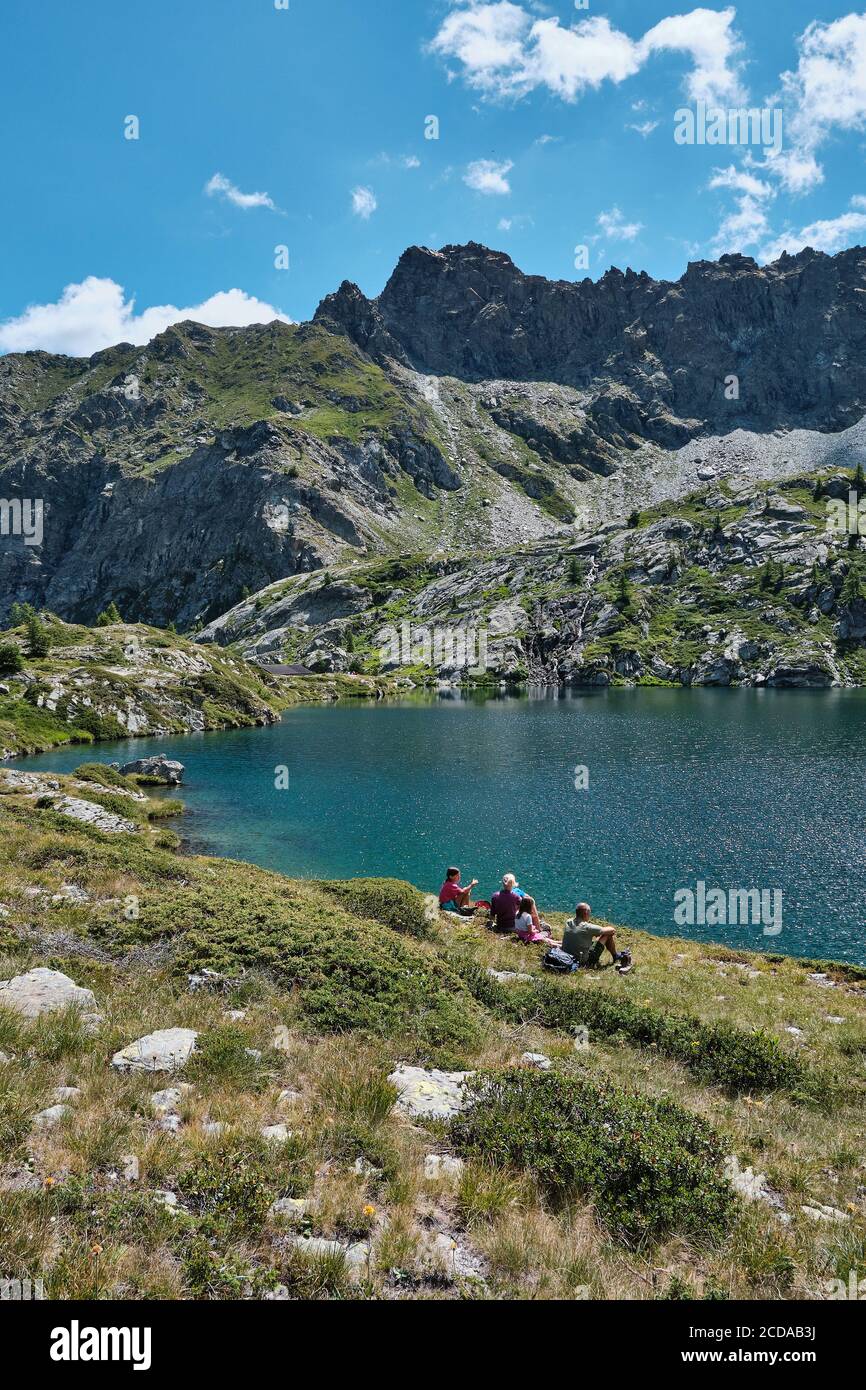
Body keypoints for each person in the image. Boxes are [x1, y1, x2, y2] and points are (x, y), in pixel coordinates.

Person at [563, 902, 631, 971]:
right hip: (582, 962)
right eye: (589, 912)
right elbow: (612, 930)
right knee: (607, 934)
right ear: (586, 913)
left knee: (599, 936)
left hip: (567, 957)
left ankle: (615, 955)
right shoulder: (587, 927)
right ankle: (615, 956)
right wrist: (601, 933)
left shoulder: (569, 922)